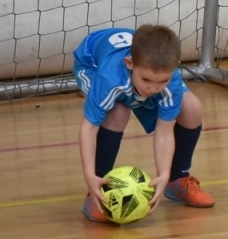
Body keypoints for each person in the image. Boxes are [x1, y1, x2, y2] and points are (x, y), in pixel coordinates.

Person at [73, 25, 215, 222]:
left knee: (191, 108)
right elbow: (89, 128)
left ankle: (176, 180)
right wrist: (89, 175)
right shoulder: (109, 78)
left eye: (162, 81)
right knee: (118, 111)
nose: (154, 89)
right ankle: (98, 191)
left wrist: (163, 173)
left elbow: (164, 132)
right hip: (92, 62)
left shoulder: (168, 81)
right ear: (130, 63)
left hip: (133, 72)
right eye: (147, 79)